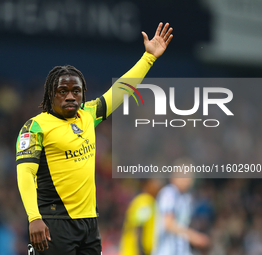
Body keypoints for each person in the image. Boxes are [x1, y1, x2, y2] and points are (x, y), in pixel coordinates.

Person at [15, 22, 173, 255]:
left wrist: (148, 58)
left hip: (89, 224)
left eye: (76, 91)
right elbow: (25, 174)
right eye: (63, 91)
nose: (70, 96)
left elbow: (120, 90)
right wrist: (33, 217)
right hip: (53, 221)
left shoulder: (87, 115)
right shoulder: (35, 126)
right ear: (51, 94)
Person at [152, 160, 210, 255]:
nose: (186, 179)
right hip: (165, 251)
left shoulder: (186, 198)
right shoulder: (169, 194)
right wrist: (194, 236)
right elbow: (168, 224)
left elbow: (183, 225)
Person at [119, 179, 163, 255]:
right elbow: (139, 228)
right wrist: (141, 252)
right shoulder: (144, 201)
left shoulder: (145, 201)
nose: (158, 186)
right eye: (155, 182)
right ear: (147, 184)